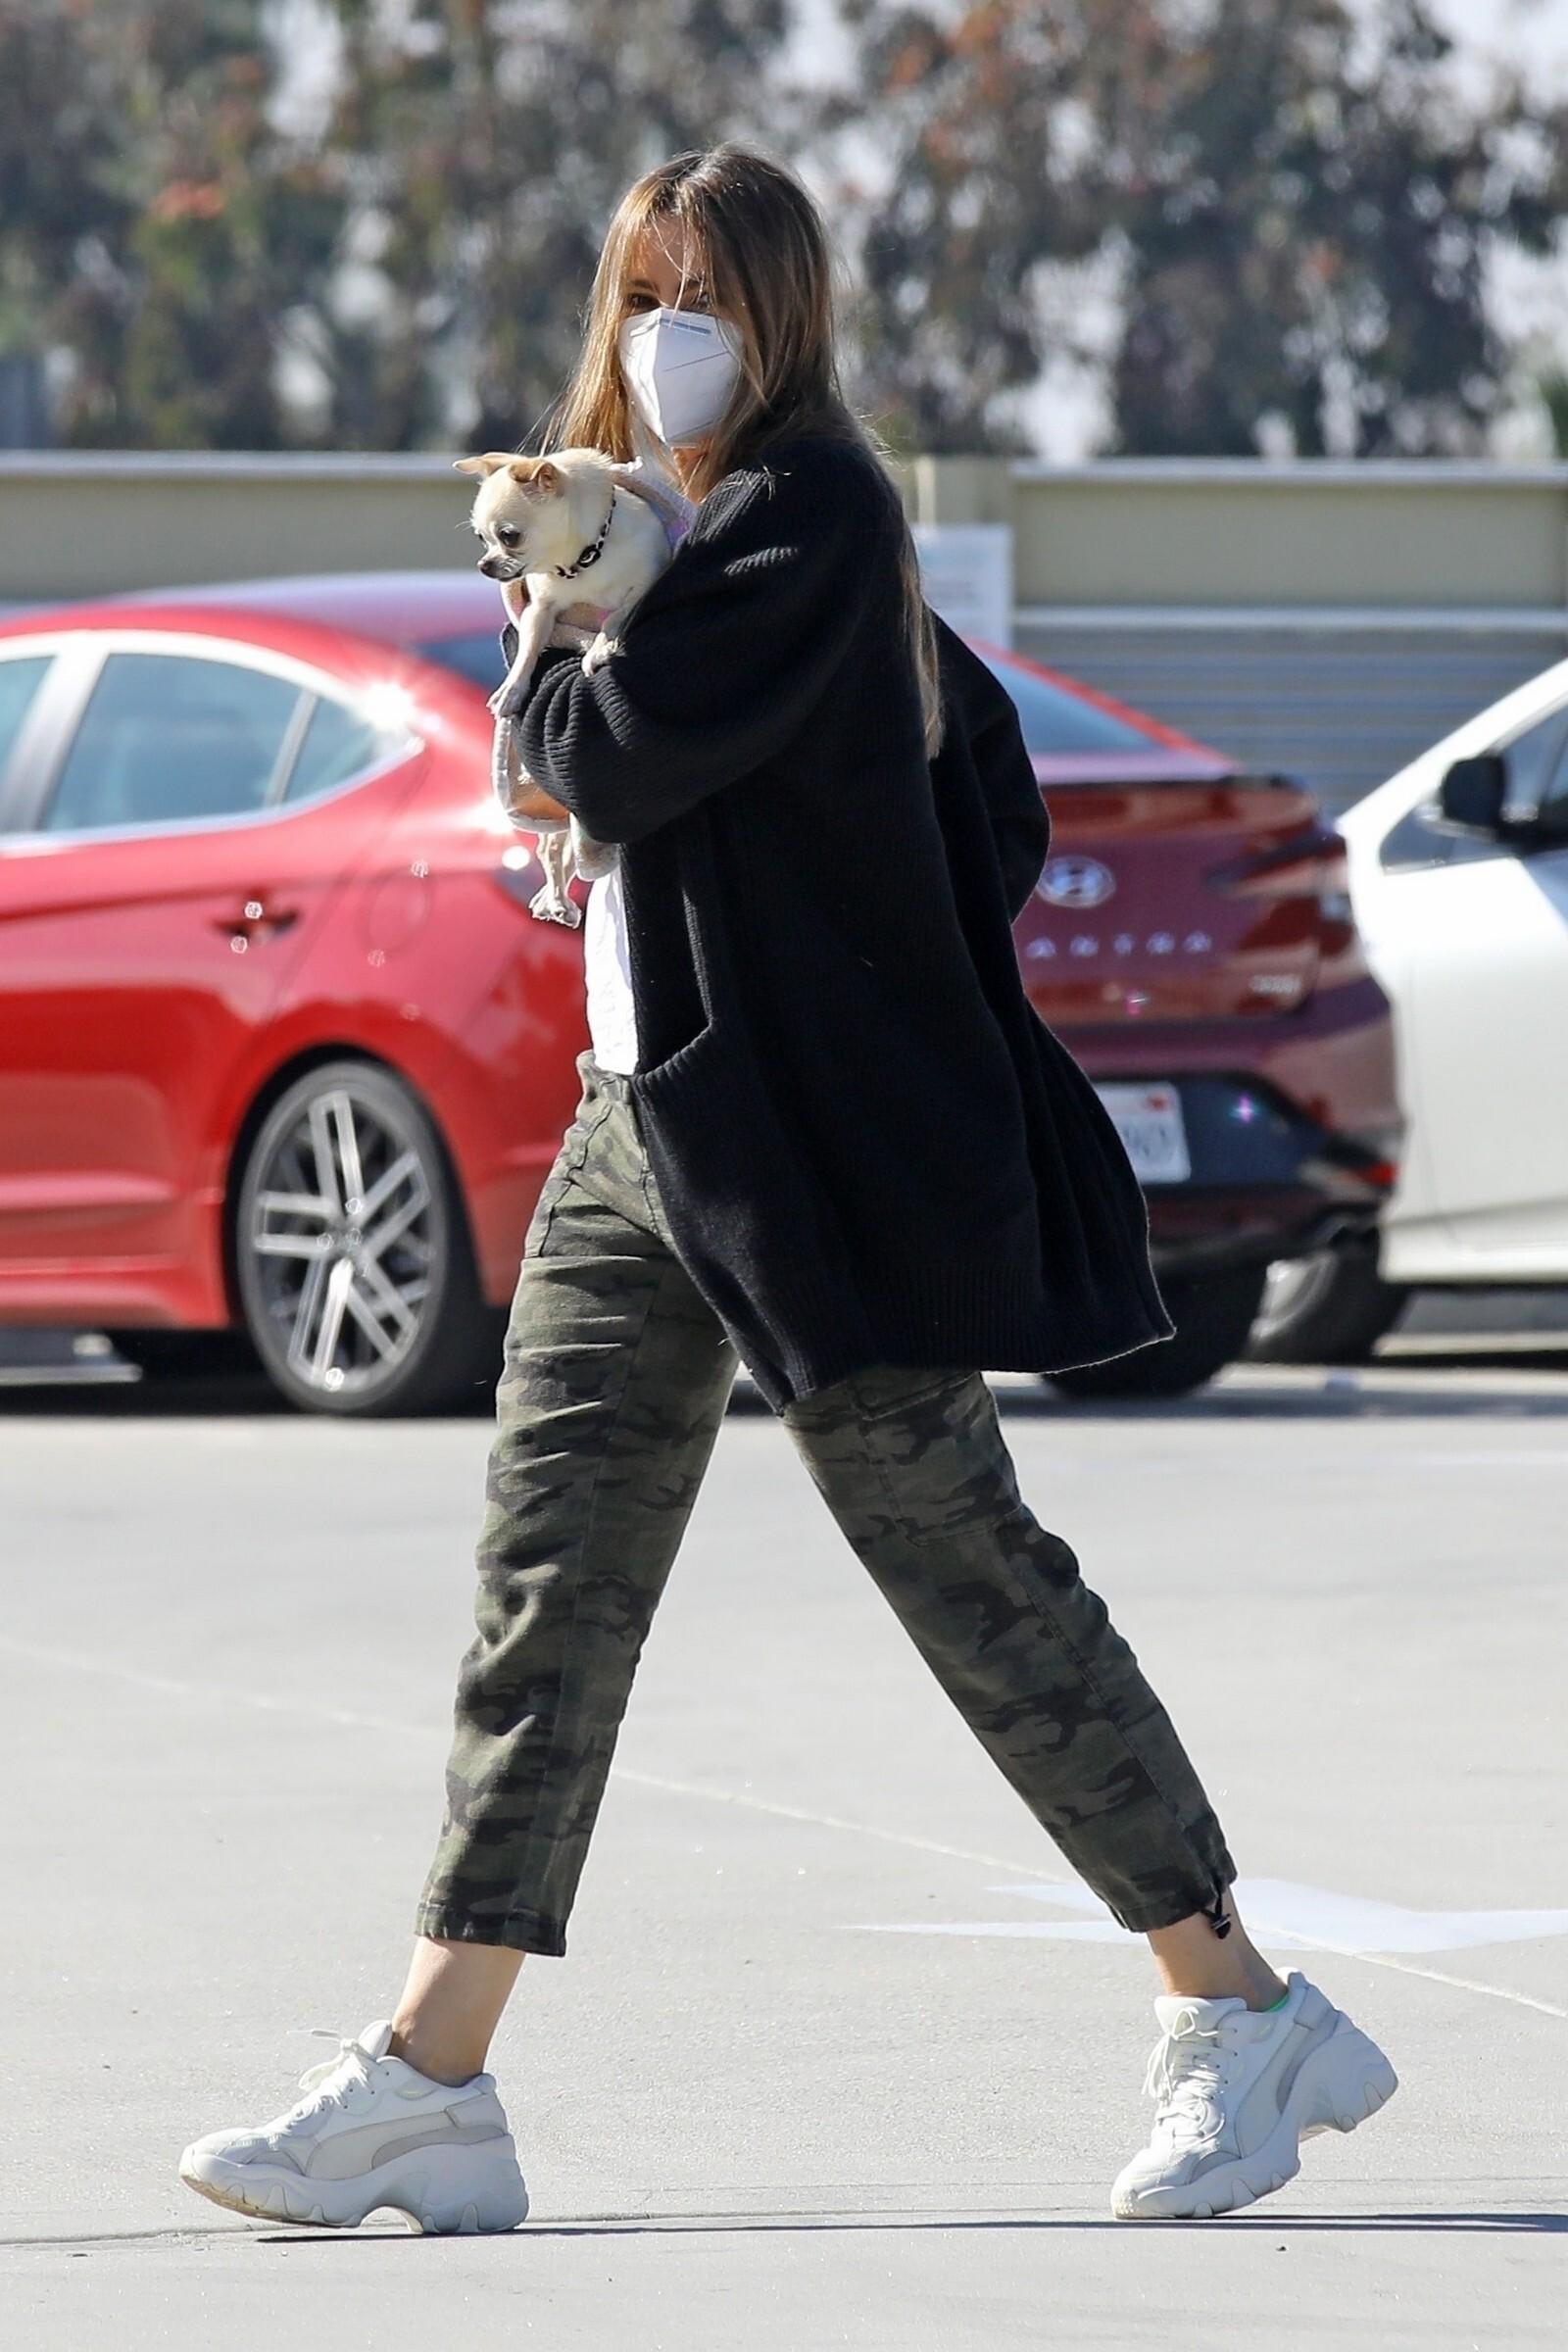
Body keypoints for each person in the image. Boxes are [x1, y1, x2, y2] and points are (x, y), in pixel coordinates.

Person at [179, 144, 1396, 2234]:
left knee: (968, 1574)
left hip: (800, 1160)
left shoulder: (805, 508)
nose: (672, 331)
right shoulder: (676, 529)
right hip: (630, 1125)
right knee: (549, 1588)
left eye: (712, 295)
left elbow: (596, 757)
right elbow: (963, 784)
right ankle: (430, 2082)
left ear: (784, 315)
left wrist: (564, 650)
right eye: (645, 289)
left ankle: (1243, 2010)